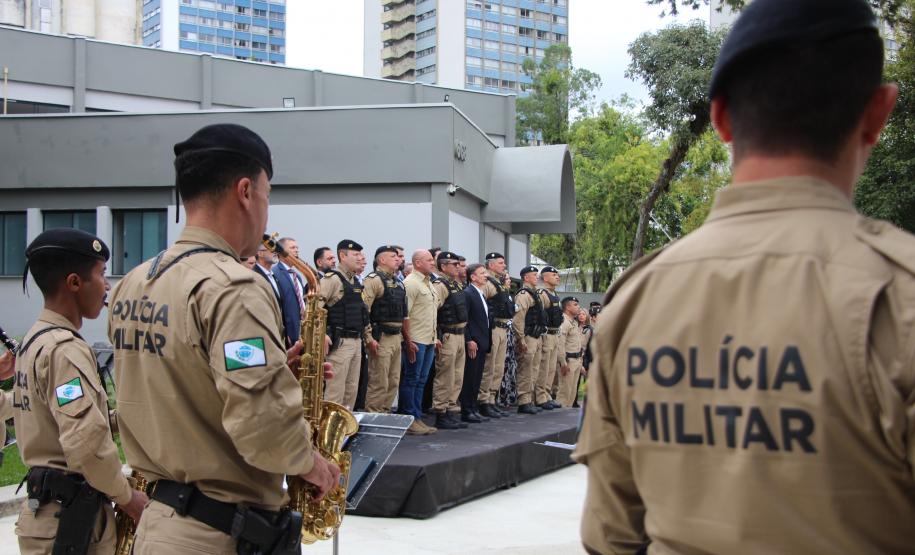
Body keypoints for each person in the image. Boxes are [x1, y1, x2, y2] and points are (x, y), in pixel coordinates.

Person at [574, 1, 912, 552]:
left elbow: (610, 534)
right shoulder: (899, 296)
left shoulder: (636, 300)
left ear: (722, 118)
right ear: (878, 112)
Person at [109, 123, 339, 554]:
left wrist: (274, 369)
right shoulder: (235, 287)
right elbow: (264, 428)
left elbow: (175, 379)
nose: (266, 212)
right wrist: (313, 464)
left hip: (161, 523)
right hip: (219, 534)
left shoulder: (135, 282)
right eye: (268, 196)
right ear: (246, 191)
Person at [13, 228, 147, 554]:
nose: (107, 286)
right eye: (101, 274)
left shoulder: (35, 340)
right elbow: (85, 440)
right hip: (71, 522)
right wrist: (128, 499)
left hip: (49, 515)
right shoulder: (64, 350)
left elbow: (60, 418)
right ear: (74, 283)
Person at [320, 239, 369, 410]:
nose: (360, 258)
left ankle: (344, 431)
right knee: (335, 392)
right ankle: (328, 432)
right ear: (342, 255)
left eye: (360, 254)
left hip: (356, 342)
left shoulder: (355, 281)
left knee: (351, 391)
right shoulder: (332, 279)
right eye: (356, 254)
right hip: (340, 343)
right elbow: (312, 309)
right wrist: (322, 334)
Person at [362, 245, 408, 413]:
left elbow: (403, 315)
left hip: (396, 337)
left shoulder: (398, 282)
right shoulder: (373, 280)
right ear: (381, 260)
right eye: (393, 256)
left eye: (398, 256)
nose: (398, 259)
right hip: (380, 336)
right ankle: (374, 415)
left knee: (393, 380)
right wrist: (369, 338)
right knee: (379, 381)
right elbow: (364, 311)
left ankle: (385, 414)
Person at [399, 249, 440, 435]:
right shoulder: (411, 283)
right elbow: (405, 315)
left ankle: (417, 417)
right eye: (429, 260)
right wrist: (408, 340)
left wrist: (435, 337)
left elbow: (429, 313)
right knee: (411, 379)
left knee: (421, 380)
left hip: (428, 339)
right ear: (417, 263)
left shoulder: (429, 283)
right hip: (416, 340)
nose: (433, 262)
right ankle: (409, 419)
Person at [430, 252, 470, 429]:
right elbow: (433, 311)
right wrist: (436, 336)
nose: (458, 267)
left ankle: (451, 409)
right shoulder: (440, 284)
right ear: (443, 266)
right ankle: (440, 411)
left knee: (457, 375)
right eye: (454, 264)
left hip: (460, 334)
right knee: (445, 375)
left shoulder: (456, 284)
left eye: (459, 264)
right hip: (447, 335)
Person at [476, 252, 514, 417]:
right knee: (489, 367)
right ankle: (483, 400)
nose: (503, 266)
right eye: (500, 263)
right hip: (492, 327)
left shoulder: (498, 283)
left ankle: (492, 398)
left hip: (503, 328)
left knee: (498, 367)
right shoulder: (488, 283)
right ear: (490, 265)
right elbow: (480, 304)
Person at [460, 263, 494, 421]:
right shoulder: (468, 293)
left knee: (477, 377)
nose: (486, 275)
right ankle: (467, 410)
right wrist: (469, 339)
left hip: (482, 342)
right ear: (472, 277)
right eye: (482, 273)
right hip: (474, 343)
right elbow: (464, 319)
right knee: (470, 377)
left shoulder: (480, 294)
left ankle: (473, 408)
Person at [512, 266, 546, 414]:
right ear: (526, 278)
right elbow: (518, 319)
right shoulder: (524, 294)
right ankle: (523, 400)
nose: (537, 277)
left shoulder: (535, 294)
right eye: (534, 275)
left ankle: (529, 399)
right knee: (526, 369)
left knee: (534, 368)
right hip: (528, 336)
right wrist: (521, 339)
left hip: (536, 336)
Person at [535, 266, 563, 410]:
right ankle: (540, 397)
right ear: (545, 278)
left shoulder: (553, 293)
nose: (557, 277)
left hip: (555, 334)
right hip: (546, 334)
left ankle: (547, 394)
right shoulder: (542, 293)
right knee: (544, 367)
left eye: (557, 274)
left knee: (551, 368)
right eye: (553, 275)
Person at [273, 239, 305, 347]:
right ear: (281, 251)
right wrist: (288, 333)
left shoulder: (297, 275)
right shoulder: (275, 273)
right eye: (292, 248)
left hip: (302, 331)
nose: (296, 251)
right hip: (289, 335)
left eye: (297, 248)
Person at [555, 297, 582, 408]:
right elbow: (560, 344)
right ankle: (559, 420)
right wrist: (563, 363)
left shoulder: (574, 322)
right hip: (568, 361)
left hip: (576, 360)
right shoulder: (564, 321)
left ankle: (566, 417)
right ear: (567, 307)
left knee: (572, 393)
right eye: (575, 304)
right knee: (564, 392)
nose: (578, 307)